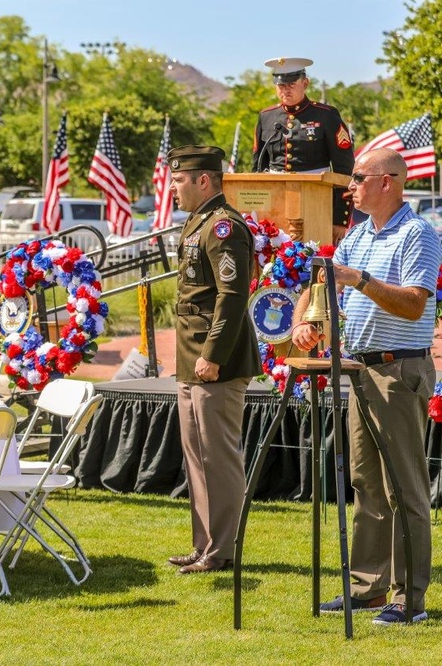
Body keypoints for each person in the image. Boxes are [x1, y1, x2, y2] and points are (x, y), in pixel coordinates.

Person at [291, 148, 442, 625]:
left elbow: (415, 305)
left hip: (399, 372)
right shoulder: (358, 234)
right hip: (360, 371)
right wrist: (305, 322)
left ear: (387, 182)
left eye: (357, 178)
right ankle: (369, 588)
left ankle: (408, 599)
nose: (350, 187)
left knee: (405, 487)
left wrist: (361, 279)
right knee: (366, 484)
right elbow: (321, 286)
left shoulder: (417, 234)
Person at [166, 145, 261, 574]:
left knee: (218, 457)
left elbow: (233, 296)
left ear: (204, 180)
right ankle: (204, 544)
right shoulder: (197, 222)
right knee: (196, 456)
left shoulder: (224, 227)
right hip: (193, 359)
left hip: (215, 362)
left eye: (179, 181)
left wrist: (212, 356)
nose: (172, 189)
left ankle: (223, 549)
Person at [252, 57, 354, 243]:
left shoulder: (326, 115)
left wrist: (340, 218)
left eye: (291, 83)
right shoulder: (266, 117)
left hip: (316, 202)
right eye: (280, 85)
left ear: (305, 83)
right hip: (274, 206)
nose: (285, 89)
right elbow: (257, 167)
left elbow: (345, 170)